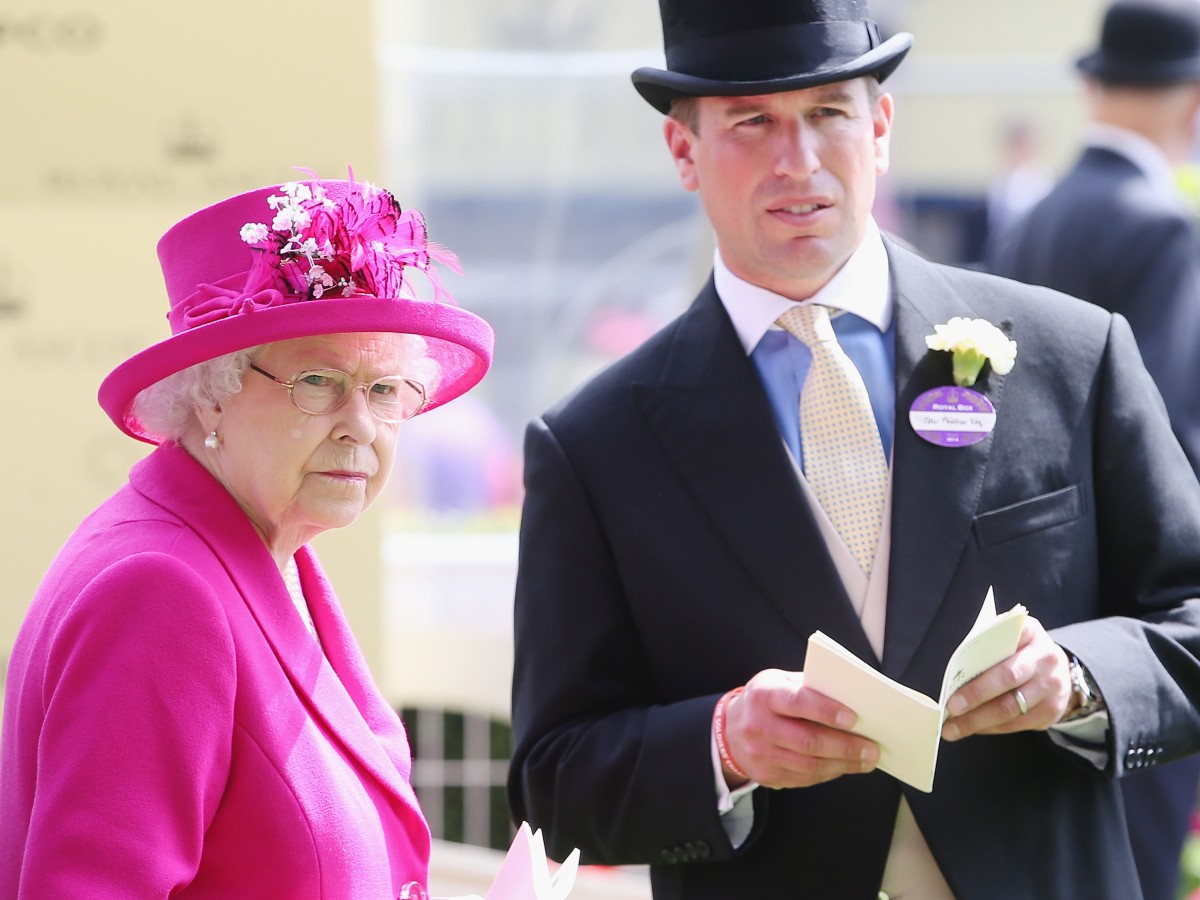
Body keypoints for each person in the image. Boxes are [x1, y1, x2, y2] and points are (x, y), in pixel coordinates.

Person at [507, 1, 1200, 898]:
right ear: (683, 152)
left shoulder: (1074, 354)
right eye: (752, 121)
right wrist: (720, 743)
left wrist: (1077, 680)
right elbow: (553, 778)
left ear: (880, 125)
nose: (797, 160)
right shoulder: (593, 446)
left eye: (829, 111)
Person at [0, 173, 493, 897]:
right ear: (210, 396)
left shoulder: (269, 554)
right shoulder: (160, 592)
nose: (361, 425)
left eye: (385, 391)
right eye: (319, 382)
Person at [989, 4, 1200, 894]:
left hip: (1026, 600)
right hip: (1126, 622)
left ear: (1092, 84)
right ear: (1193, 102)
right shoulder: (1162, 226)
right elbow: (1175, 437)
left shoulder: (1031, 216)